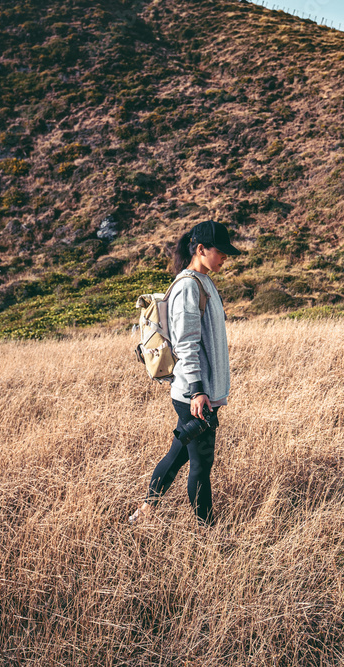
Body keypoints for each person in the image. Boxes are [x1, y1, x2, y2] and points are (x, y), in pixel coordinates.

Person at [129, 220, 243, 527]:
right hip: (194, 395)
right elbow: (186, 344)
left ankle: (143, 512)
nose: (224, 258)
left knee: (178, 455)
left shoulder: (205, 281)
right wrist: (197, 390)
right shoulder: (188, 286)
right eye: (220, 251)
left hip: (202, 393)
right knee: (201, 466)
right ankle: (207, 533)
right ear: (201, 249)